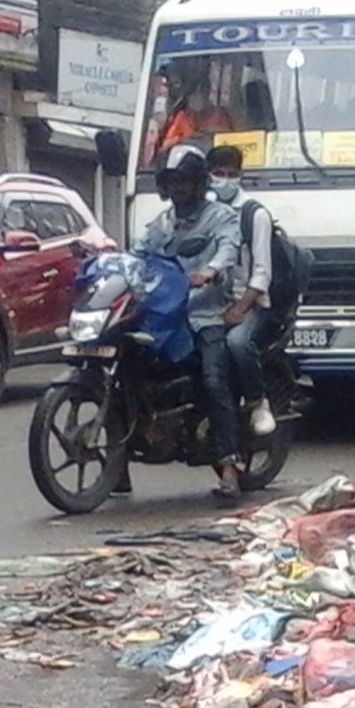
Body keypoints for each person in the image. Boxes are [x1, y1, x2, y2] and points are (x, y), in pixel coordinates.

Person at [136, 142, 246, 500]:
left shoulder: (221, 217)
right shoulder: (160, 224)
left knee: (215, 381)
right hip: (164, 317)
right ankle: (119, 460)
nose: (178, 188)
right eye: (172, 182)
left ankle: (229, 466)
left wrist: (210, 270)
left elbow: (229, 248)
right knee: (129, 369)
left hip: (205, 314)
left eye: (184, 181)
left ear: (198, 183)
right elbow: (139, 254)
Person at [207, 144, 282, 444]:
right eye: (219, 174)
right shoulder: (203, 211)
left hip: (251, 303)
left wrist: (241, 307)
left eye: (232, 175)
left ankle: (256, 401)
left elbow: (262, 272)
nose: (225, 180)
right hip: (210, 302)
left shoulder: (254, 214)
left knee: (237, 343)